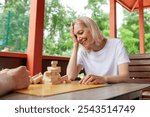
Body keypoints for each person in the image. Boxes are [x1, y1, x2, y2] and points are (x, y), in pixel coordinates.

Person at [67, 16, 130, 85]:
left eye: (81, 32)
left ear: (92, 29)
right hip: (94, 92)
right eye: (76, 36)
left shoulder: (116, 44)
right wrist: (75, 45)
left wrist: (104, 79)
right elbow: (70, 76)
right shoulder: (83, 51)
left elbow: (125, 76)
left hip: (116, 91)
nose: (78, 39)